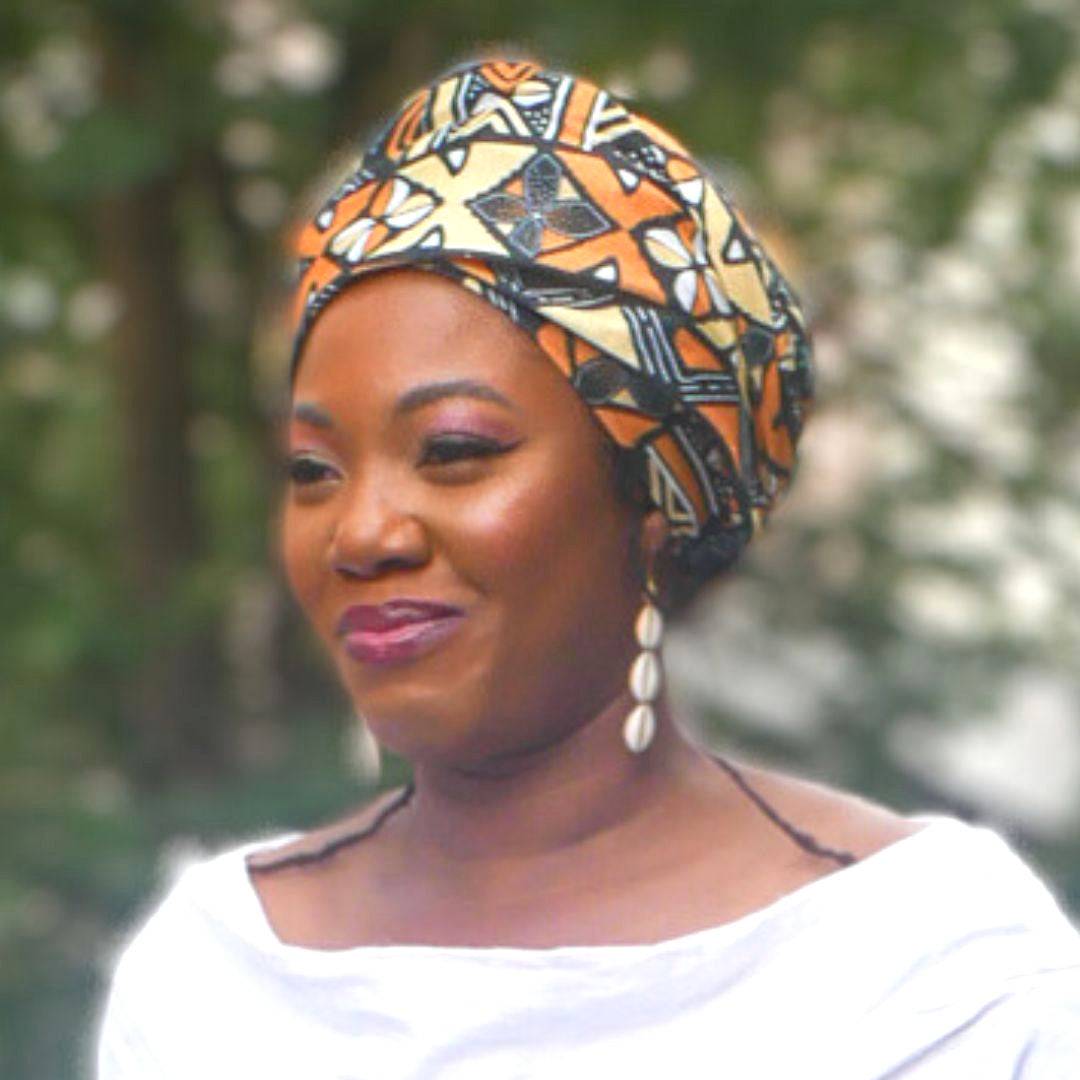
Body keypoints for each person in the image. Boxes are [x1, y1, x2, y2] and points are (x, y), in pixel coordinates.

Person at [97, 58, 1080, 1078]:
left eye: (454, 451)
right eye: (312, 470)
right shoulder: (214, 981)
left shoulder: (927, 976)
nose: (361, 532)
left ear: (651, 500)